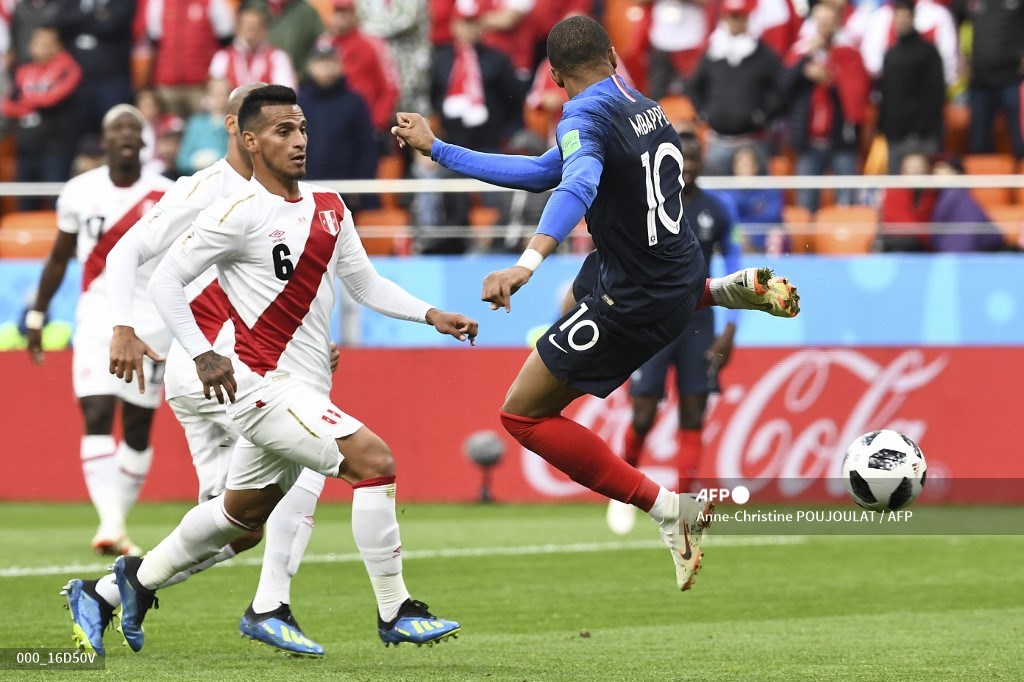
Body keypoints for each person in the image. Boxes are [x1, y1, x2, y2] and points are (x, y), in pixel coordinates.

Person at [393, 16, 799, 592]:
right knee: (583, 286)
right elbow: (544, 172)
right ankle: (716, 291)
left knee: (523, 415)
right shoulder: (649, 106)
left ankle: (666, 509)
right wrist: (438, 149)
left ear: (555, 77)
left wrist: (524, 263)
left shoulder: (583, 115)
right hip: (675, 271)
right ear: (612, 54)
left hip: (635, 299)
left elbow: (576, 185)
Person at [70, 85, 475, 655]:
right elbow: (158, 275)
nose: (300, 140)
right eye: (284, 130)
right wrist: (193, 347)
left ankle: (116, 590)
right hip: (255, 383)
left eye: (303, 128)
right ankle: (393, 609)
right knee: (372, 461)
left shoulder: (331, 207)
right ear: (247, 137)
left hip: (299, 383)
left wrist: (431, 314)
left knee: (239, 519)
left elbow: (365, 285)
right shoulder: (227, 205)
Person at [61, 82, 331, 658]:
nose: (290, 136)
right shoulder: (207, 188)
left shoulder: (283, 195)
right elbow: (125, 252)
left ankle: (105, 594)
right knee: (315, 454)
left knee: (239, 524)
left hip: (219, 370)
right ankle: (270, 607)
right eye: (272, 124)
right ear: (238, 127)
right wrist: (122, 326)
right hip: (214, 365)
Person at [25, 105, 175, 556]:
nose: (126, 134)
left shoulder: (168, 195)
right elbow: (58, 256)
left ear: (144, 142)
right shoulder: (78, 192)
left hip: (151, 318)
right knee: (94, 413)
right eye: (117, 128)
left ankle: (117, 522)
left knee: (136, 426)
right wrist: (38, 314)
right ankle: (110, 524)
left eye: (135, 127)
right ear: (105, 141)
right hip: (96, 316)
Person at [604, 131, 743, 535]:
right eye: (685, 158)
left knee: (694, 411)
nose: (690, 165)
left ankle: (686, 504)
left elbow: (733, 263)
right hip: (651, 319)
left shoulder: (717, 209)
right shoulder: (648, 201)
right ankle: (622, 487)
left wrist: (732, 327)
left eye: (697, 158)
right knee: (644, 413)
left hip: (700, 323)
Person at [688, 0, 782, 176]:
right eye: (732, 17)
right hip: (717, 140)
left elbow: (781, 91)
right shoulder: (712, 52)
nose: (735, 22)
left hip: (751, 141)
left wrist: (762, 116)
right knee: (714, 191)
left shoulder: (763, 54)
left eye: (740, 17)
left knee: (753, 196)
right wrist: (704, 112)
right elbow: (694, 86)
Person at [2, 24, 82, 210]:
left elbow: (51, 98)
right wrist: (29, 108)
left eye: (47, 41)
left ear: (58, 46)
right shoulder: (23, 71)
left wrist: (27, 101)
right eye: (37, 40)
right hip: (26, 147)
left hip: (54, 147)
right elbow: (7, 105)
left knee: (57, 201)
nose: (40, 45)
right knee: (24, 201)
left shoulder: (68, 67)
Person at [877, 0, 945, 174]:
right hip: (895, 134)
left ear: (913, 17)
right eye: (897, 15)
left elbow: (936, 93)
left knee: (925, 190)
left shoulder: (928, 52)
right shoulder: (890, 54)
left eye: (904, 15)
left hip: (922, 135)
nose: (900, 20)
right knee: (896, 190)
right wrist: (884, 128)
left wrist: (921, 128)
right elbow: (886, 94)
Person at [208, 7, 297, 91]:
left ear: (264, 30)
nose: (250, 33)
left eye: (255, 27)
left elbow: (286, 92)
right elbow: (215, 92)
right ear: (237, 29)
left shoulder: (277, 57)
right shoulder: (223, 57)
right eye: (246, 27)